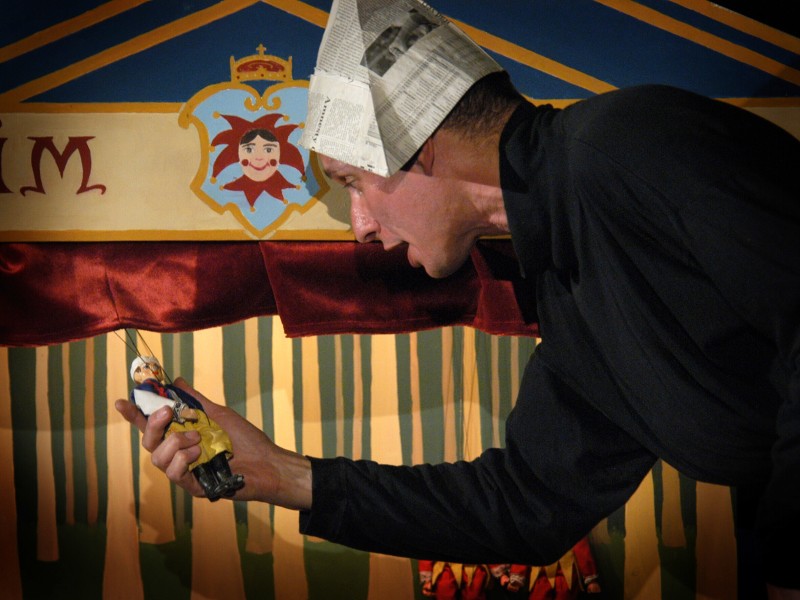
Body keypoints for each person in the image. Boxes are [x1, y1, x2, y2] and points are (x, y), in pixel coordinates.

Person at [116, 0, 800, 597]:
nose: (361, 228)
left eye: (352, 182)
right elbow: (523, 505)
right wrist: (279, 474)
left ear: (417, 146)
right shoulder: (567, 290)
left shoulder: (633, 143)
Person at [129, 356, 244, 501]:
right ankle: (210, 487)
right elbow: (151, 403)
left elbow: (189, 400)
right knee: (194, 452)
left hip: (195, 418)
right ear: (137, 375)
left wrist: (199, 412)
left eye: (155, 366)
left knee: (212, 440)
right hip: (175, 422)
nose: (154, 369)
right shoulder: (141, 391)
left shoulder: (170, 389)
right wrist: (178, 409)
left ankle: (226, 477)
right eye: (146, 366)